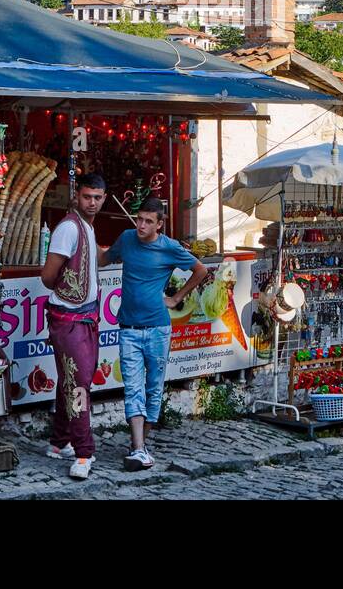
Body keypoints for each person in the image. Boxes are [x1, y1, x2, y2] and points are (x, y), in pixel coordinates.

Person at [102, 196, 208, 471]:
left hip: (159, 329)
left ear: (160, 224)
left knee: (153, 389)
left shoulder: (169, 248)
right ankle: (138, 447)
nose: (142, 225)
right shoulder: (126, 239)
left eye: (149, 221)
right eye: (139, 219)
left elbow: (201, 270)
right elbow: (105, 258)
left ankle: (141, 444)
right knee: (133, 387)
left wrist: (175, 299)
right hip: (128, 328)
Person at [39, 174, 107, 479]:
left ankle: (58, 442)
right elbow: (48, 276)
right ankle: (83, 453)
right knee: (78, 385)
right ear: (76, 197)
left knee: (72, 379)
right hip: (69, 319)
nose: (92, 203)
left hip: (84, 317)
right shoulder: (68, 227)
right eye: (87, 197)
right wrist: (66, 291)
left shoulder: (87, 226)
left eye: (98, 197)